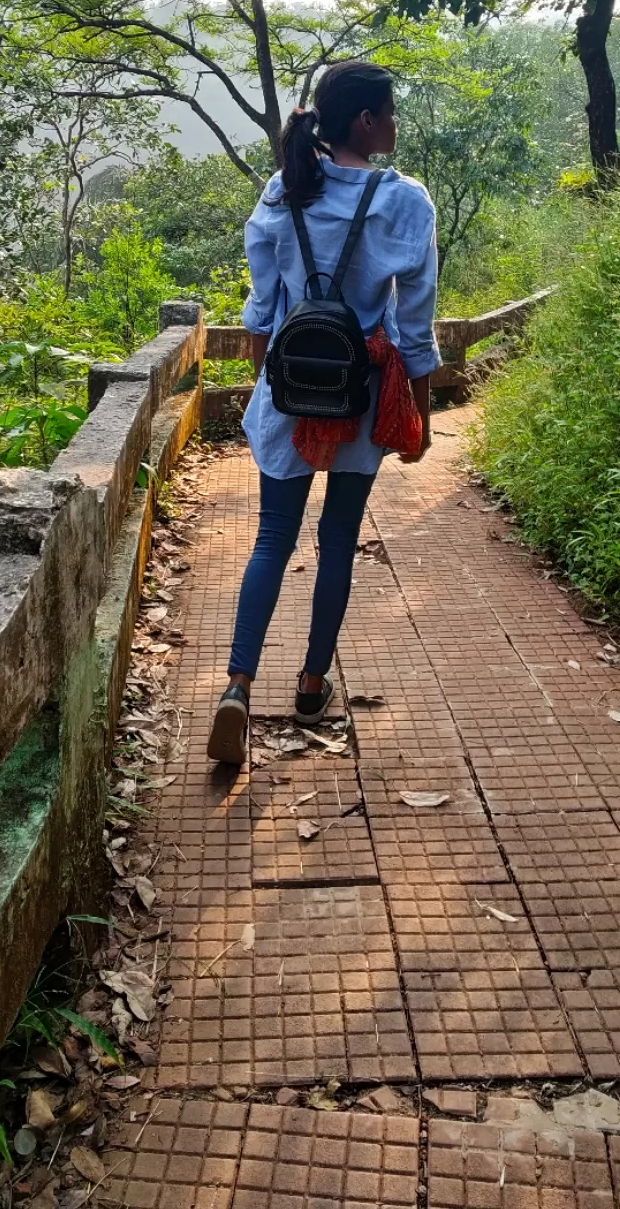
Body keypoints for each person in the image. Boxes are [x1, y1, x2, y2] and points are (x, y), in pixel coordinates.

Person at [207, 59, 440, 765]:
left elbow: (260, 307)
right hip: (360, 394)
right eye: (389, 113)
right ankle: (312, 684)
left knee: (272, 538)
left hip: (291, 388)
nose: (395, 125)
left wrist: (268, 385)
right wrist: (418, 415)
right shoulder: (405, 202)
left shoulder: (285, 191)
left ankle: (237, 689)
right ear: (365, 121)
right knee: (337, 540)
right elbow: (415, 325)